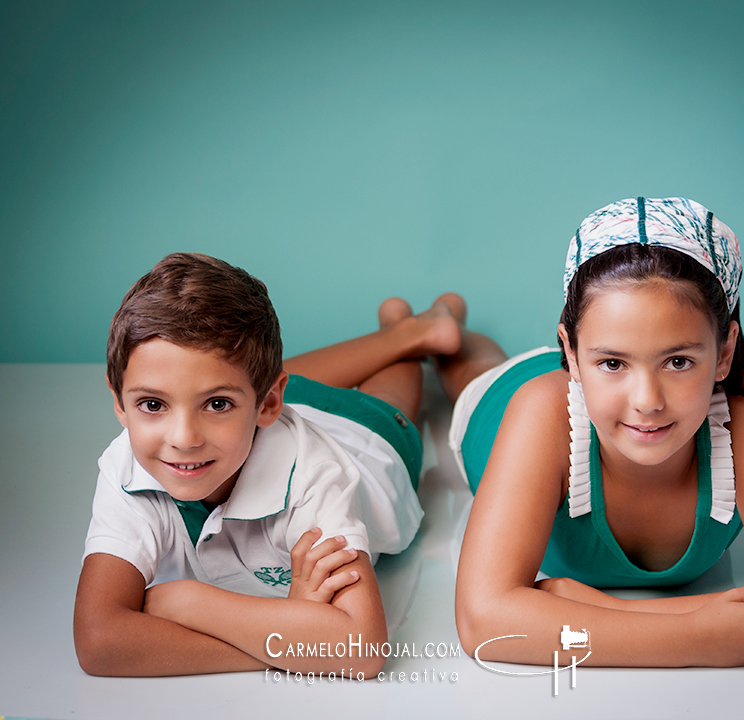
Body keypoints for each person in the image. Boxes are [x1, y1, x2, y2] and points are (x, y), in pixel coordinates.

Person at [443, 197, 744, 667]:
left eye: (678, 362)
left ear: (723, 352)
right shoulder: (539, 409)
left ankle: (448, 326)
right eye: (614, 362)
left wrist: (604, 608)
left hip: (594, 388)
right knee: (472, 369)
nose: (647, 400)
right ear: (571, 354)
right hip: (516, 398)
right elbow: (482, 621)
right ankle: (431, 334)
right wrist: (698, 638)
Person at [73, 252, 462, 677]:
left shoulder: (317, 475)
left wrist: (188, 601)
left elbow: (360, 650)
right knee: (231, 371)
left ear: (270, 402)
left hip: (367, 435)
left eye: (215, 404)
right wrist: (290, 641)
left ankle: (411, 336)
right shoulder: (128, 463)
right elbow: (98, 641)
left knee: (388, 398)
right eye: (152, 404)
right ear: (119, 402)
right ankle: (407, 326)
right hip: (262, 422)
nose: (183, 438)